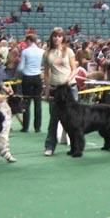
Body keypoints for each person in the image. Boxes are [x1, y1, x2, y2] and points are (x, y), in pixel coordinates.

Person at [43, 27, 77, 156]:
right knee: (54, 119)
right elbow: (46, 74)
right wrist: (46, 91)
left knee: (73, 119)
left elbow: (75, 69)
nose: (57, 38)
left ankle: (75, 146)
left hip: (70, 88)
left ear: (63, 38)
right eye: (55, 36)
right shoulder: (47, 53)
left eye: (59, 36)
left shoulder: (68, 51)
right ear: (51, 37)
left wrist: (69, 79)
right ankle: (49, 146)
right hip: (55, 89)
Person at [17, 34, 44, 133]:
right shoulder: (42, 51)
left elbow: (20, 68)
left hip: (27, 78)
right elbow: (42, 64)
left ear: (28, 41)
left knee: (26, 104)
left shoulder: (25, 52)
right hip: (37, 78)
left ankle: (25, 127)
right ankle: (37, 127)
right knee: (38, 103)